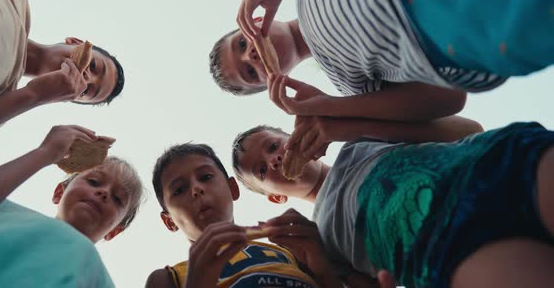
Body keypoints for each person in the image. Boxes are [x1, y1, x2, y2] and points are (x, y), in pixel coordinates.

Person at [209, 0, 553, 119]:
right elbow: (448, 101)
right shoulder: (347, 86)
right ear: (273, 82)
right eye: (250, 72)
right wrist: (332, 108)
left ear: (253, 20)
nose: (250, 56)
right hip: (454, 30)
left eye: (241, 44)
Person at [231, 119, 554, 287]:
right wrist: (316, 255)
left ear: (293, 136)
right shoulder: (321, 239)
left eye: (274, 145)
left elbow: (468, 129)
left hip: (498, 166)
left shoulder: (358, 141)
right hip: (445, 253)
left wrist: (349, 125)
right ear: (275, 196)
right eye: (261, 170)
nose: (274, 159)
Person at [146, 143, 396, 288]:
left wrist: (321, 263)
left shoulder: (293, 252)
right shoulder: (168, 279)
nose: (196, 189)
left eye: (206, 177)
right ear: (169, 220)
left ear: (233, 189)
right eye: (179, 190)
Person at [0, 0, 125, 155]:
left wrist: (34, 96)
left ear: (67, 96)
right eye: (93, 66)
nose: (87, 76)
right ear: (76, 42)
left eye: (86, 90)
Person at [0, 125, 143, 287]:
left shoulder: (98, 281)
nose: (104, 192)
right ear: (59, 193)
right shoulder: (2, 210)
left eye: (118, 199)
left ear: (115, 231)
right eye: (94, 181)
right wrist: (45, 153)